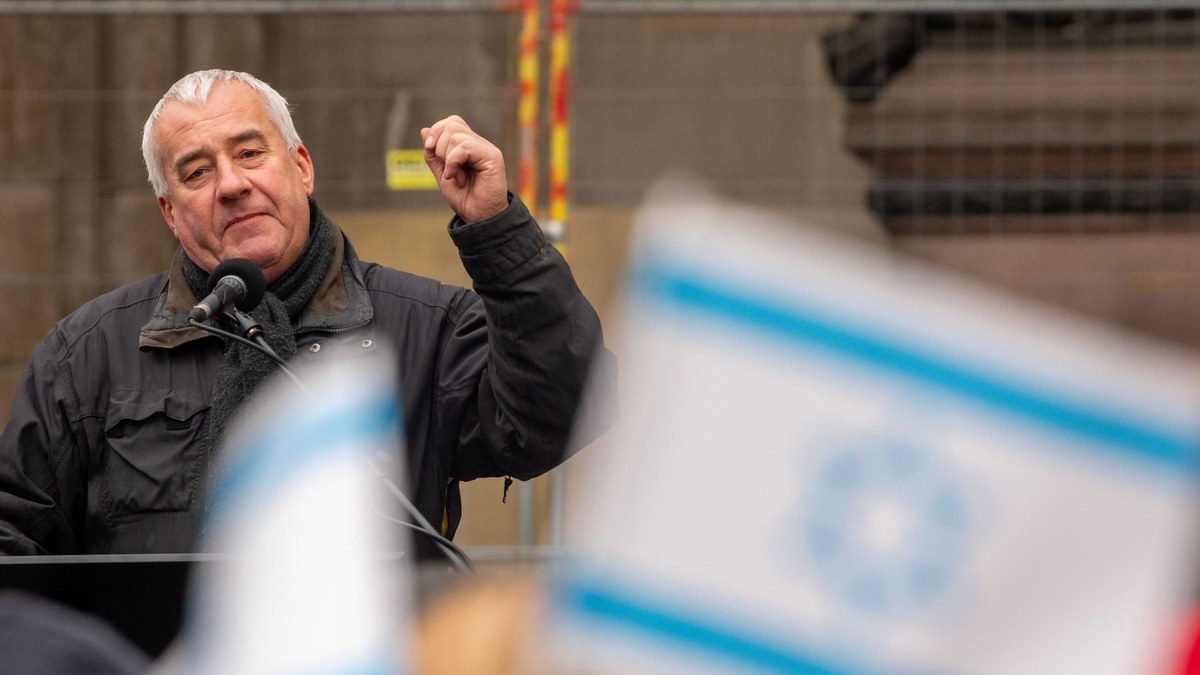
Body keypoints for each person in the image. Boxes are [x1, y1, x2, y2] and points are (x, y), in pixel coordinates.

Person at [0, 69, 614, 556]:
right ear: (169, 210)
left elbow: (566, 410)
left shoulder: (428, 328)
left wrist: (496, 229)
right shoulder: (87, 355)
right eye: (196, 171)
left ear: (301, 167)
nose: (231, 183)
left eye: (250, 152)